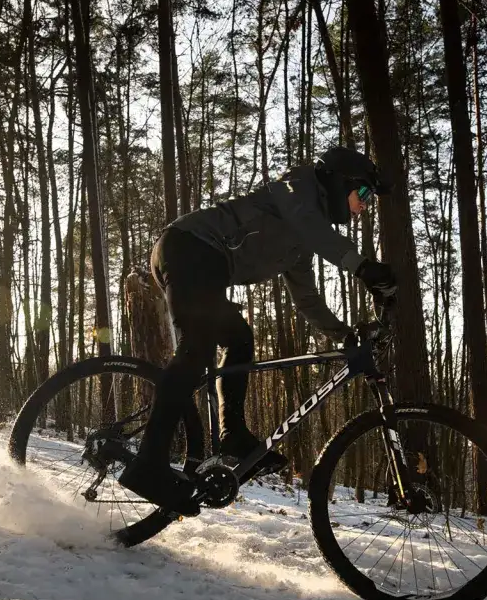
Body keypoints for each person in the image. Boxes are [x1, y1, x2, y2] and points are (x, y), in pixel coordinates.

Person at [119, 146, 399, 512]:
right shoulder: (297, 187)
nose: (363, 205)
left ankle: (232, 435)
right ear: (338, 180)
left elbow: (307, 299)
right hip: (189, 248)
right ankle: (148, 465)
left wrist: (343, 334)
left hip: (205, 263)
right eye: (362, 193)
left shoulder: (301, 244)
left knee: (239, 339)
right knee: (196, 349)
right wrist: (363, 267)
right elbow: (312, 227)